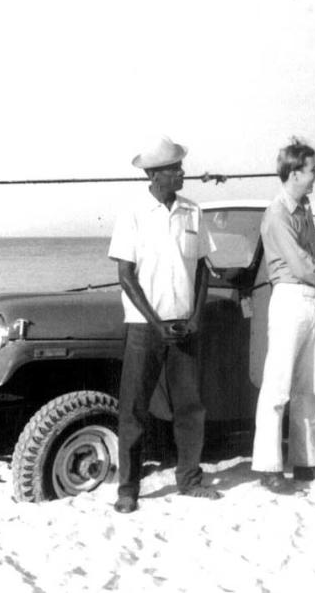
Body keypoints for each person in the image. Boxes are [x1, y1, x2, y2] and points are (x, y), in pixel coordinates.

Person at [108, 135, 222, 514]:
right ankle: (128, 490)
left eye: (179, 167)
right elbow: (126, 276)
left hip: (185, 327)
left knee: (191, 407)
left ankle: (190, 479)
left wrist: (195, 316)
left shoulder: (192, 211)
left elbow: (203, 269)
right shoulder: (133, 214)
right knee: (135, 410)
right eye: (175, 169)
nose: (182, 173)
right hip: (145, 328)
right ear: (155, 175)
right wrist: (156, 323)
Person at [251, 139, 315, 494]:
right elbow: (301, 265)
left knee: (308, 386)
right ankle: (267, 467)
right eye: (312, 171)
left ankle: (306, 463)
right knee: (277, 386)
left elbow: (311, 261)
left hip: (309, 299)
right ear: (294, 173)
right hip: (290, 298)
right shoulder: (277, 213)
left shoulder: (304, 209)